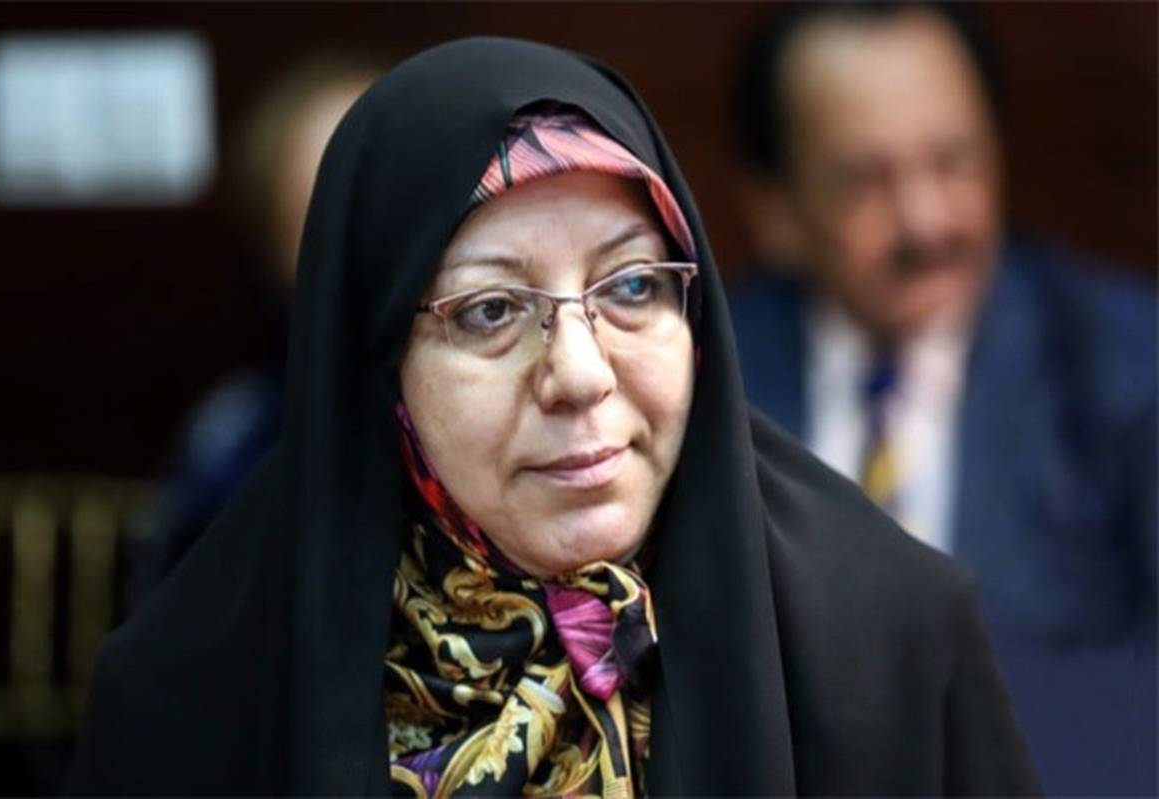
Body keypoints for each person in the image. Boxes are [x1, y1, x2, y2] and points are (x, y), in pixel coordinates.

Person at [68, 37, 1039, 795]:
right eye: (490, 310)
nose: (579, 374)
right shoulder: (190, 700)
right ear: (376, 363)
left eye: (632, 286)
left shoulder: (892, 642)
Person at [728, 4, 1156, 795]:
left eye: (954, 161)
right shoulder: (701, 378)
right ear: (776, 210)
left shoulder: (1129, 371)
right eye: (865, 179)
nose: (925, 221)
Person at [131, 58, 381, 605]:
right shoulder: (236, 444)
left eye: (389, 204)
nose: (367, 245)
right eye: (322, 221)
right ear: (277, 253)